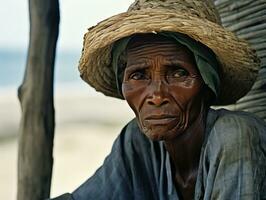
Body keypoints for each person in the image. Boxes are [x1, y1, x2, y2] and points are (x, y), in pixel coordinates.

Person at [51, 0, 266, 199]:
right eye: (139, 75)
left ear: (207, 84)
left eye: (178, 73)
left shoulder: (235, 136)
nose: (156, 96)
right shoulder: (138, 142)